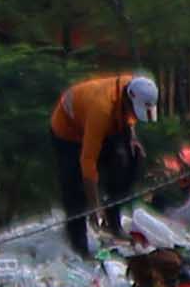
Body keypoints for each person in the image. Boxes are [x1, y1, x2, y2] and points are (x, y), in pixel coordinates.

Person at [51, 71, 157, 261]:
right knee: (75, 189)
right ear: (127, 100)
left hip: (110, 123)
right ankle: (80, 246)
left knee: (132, 157)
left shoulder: (133, 86)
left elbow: (129, 117)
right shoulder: (101, 110)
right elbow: (88, 163)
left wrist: (132, 137)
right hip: (69, 132)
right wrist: (94, 208)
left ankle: (113, 221)